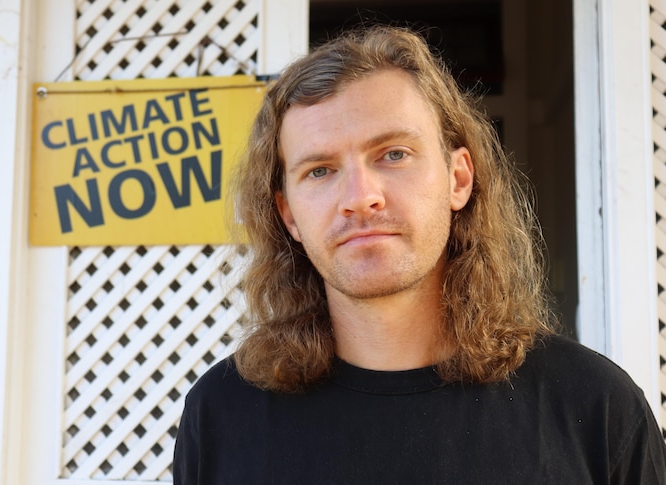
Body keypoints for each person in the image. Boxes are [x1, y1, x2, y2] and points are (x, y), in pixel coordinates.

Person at [172, 26, 666, 484]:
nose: (360, 196)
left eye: (393, 154)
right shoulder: (220, 416)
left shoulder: (595, 409)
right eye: (320, 170)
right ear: (289, 215)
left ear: (459, 179)